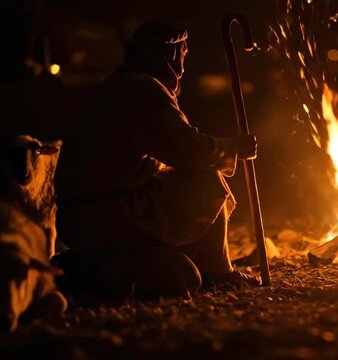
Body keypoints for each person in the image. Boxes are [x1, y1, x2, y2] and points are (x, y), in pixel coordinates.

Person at [53, 20, 261, 297]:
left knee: (190, 181)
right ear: (171, 54)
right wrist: (233, 148)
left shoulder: (122, 85)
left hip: (96, 208)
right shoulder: (141, 90)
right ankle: (218, 271)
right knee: (206, 179)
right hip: (104, 213)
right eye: (184, 53)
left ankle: (191, 260)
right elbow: (188, 149)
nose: (185, 63)